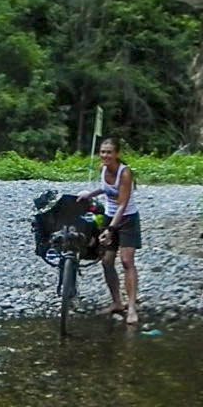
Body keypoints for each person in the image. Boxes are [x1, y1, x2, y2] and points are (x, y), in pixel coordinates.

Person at [78, 138, 142, 325]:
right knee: (106, 261)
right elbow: (106, 189)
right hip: (109, 216)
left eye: (109, 152)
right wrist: (89, 194)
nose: (105, 155)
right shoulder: (102, 168)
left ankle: (131, 308)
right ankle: (116, 302)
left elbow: (122, 204)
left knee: (126, 261)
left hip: (127, 219)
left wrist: (111, 230)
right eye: (102, 152)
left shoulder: (125, 173)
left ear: (117, 154)